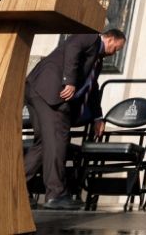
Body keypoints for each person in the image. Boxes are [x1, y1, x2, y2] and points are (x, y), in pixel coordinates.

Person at [23, 28, 127, 210]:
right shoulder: (90, 37)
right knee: (57, 141)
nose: (114, 53)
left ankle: (17, 189)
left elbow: (92, 88)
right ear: (110, 39)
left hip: (38, 90)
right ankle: (55, 194)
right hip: (52, 91)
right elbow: (72, 47)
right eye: (116, 48)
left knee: (43, 143)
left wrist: (97, 117)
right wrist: (68, 80)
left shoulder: (96, 60)